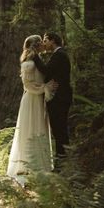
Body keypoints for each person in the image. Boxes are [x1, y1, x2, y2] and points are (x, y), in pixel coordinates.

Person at [7, 35, 57, 185]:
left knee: (39, 129)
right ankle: (28, 165)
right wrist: (45, 88)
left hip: (39, 100)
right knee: (31, 129)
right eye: (41, 43)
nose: (44, 45)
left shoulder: (38, 60)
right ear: (36, 45)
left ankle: (40, 166)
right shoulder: (29, 63)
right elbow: (28, 85)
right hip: (31, 100)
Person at [33, 32, 72, 164]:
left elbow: (47, 71)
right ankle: (63, 160)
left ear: (53, 41)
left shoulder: (59, 55)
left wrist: (35, 56)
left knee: (59, 130)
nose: (44, 43)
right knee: (59, 130)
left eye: (45, 40)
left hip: (60, 98)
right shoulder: (59, 54)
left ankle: (62, 162)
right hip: (60, 96)